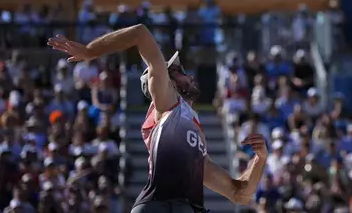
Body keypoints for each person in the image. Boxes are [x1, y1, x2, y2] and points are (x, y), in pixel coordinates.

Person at [48, 24, 267, 213]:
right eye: (179, 70)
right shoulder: (166, 99)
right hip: (157, 204)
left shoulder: (195, 138)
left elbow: (240, 194)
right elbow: (140, 33)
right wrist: (89, 51)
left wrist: (259, 160)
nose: (189, 75)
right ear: (167, 79)